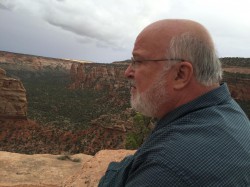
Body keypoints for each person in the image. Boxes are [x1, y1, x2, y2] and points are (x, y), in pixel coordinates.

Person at [98, 19, 250, 186]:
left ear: (180, 74)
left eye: (138, 61)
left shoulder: (167, 168)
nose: (127, 72)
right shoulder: (229, 112)